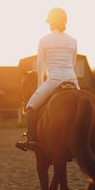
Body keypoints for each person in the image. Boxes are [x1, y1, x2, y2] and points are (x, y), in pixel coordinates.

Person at [16, 8, 80, 151]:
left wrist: (40, 84)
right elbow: (73, 64)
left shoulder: (44, 40)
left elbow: (41, 66)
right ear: (65, 22)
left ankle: (31, 140)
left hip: (54, 80)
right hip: (73, 80)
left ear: (50, 23)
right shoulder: (73, 41)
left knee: (31, 107)